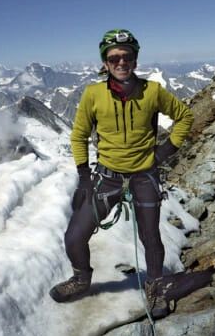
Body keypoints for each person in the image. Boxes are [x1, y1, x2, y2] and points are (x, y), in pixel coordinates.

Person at [50, 29, 194, 319]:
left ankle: (155, 287)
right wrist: (84, 176)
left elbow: (185, 117)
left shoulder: (153, 91)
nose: (120, 62)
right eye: (113, 57)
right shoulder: (93, 95)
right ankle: (81, 279)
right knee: (74, 237)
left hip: (144, 176)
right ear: (105, 63)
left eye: (126, 56)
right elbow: (78, 136)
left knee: (151, 239)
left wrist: (163, 153)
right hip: (107, 176)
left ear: (135, 59)